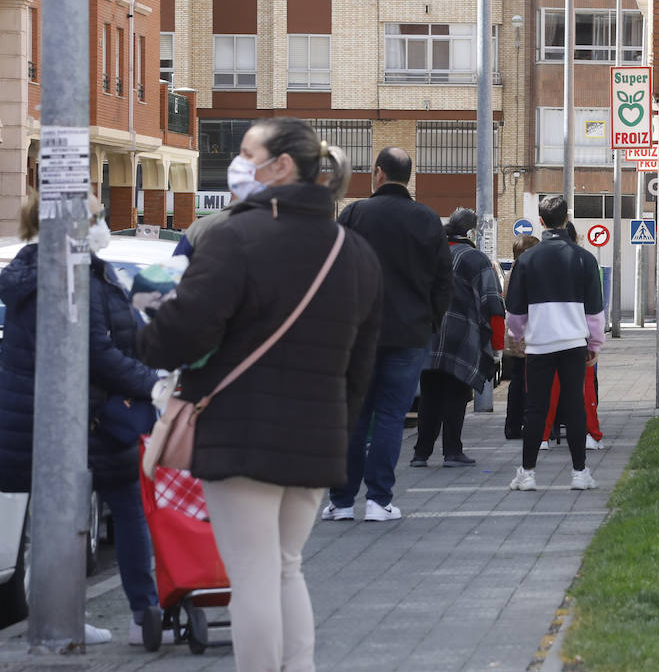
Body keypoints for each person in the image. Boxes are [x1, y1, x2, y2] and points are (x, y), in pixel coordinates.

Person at [137, 118, 382, 672]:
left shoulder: (234, 238)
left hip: (239, 432)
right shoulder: (355, 251)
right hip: (317, 437)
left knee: (251, 575)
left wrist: (143, 328)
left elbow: (182, 332)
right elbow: (360, 365)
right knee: (286, 566)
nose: (236, 162)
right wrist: (338, 431)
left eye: (247, 152)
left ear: (281, 166)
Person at [0, 192, 167, 646]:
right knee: (110, 513)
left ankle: (80, 617)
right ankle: (123, 616)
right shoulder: (69, 274)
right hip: (81, 417)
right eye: (96, 216)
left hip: (72, 415)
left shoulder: (56, 270)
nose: (102, 223)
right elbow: (95, 351)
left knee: (67, 517)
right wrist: (151, 383)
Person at [322, 146, 453, 522]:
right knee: (392, 416)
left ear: (378, 173)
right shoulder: (428, 220)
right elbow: (445, 282)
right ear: (408, 176)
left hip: (358, 333)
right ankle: (380, 501)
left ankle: (342, 501)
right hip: (410, 334)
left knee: (355, 416)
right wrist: (430, 320)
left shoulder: (355, 215)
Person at [504, 195, 605, 491]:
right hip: (574, 343)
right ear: (567, 218)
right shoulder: (584, 259)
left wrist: (518, 336)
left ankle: (528, 473)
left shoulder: (527, 260)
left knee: (536, 408)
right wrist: (594, 344)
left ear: (541, 221)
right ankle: (579, 473)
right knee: (574, 405)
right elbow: (595, 311)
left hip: (539, 345)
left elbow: (515, 312)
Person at [410, 208, 505, 468]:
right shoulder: (476, 260)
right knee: (455, 394)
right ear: (472, 232)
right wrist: (497, 347)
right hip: (461, 338)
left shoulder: (427, 256)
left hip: (427, 336)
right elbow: (493, 305)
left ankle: (421, 453)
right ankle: (452, 451)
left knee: (429, 395)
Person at [503, 235, 539, 440]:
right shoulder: (523, 271)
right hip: (524, 334)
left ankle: (512, 426)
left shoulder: (512, 270)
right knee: (525, 381)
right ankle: (520, 425)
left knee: (517, 380)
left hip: (515, 333)